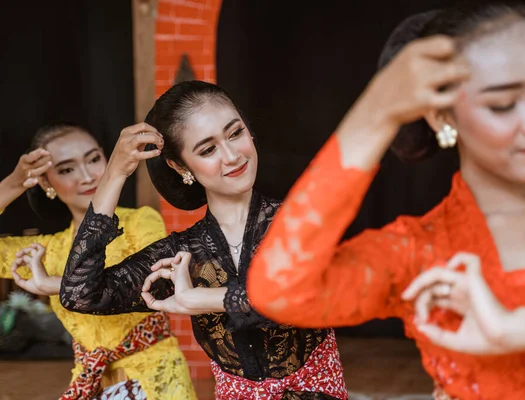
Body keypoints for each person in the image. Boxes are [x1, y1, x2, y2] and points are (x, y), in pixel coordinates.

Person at [245, 3, 525, 399]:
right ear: (442, 117)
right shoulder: (419, 255)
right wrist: (376, 112)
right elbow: (278, 289)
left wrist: (512, 329)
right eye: (504, 103)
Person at [59, 81, 348, 400]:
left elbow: (316, 297)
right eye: (208, 149)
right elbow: (80, 294)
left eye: (235, 133)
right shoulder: (183, 253)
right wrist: (115, 174)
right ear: (181, 166)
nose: (232, 155)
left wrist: (204, 299)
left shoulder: (303, 220)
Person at [0, 122, 196, 400]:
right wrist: (13, 183)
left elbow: (154, 284)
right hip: (89, 384)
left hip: (158, 380)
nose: (86, 176)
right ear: (46, 182)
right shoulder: (46, 251)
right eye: (66, 169)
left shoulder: (141, 220)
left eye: (93, 159)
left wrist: (55, 284)